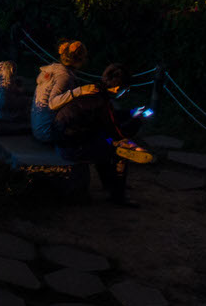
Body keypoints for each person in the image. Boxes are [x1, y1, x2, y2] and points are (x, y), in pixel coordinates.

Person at [59, 63, 143, 205]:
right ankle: (118, 197)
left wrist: (130, 113)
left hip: (66, 138)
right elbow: (116, 132)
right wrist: (136, 122)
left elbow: (109, 117)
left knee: (105, 141)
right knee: (122, 149)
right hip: (73, 147)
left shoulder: (93, 91)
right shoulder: (101, 101)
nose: (125, 93)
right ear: (117, 87)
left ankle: (110, 184)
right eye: (125, 89)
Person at [31, 40, 96, 144]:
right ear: (79, 60)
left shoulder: (53, 70)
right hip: (49, 132)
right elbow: (53, 103)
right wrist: (80, 91)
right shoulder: (64, 76)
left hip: (39, 129)